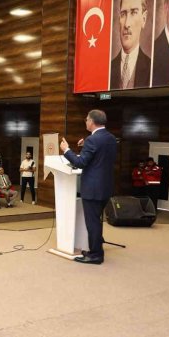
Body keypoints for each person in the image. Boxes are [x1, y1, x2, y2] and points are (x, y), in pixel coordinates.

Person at [60, 109, 117, 265]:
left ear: (91, 122)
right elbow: (101, 157)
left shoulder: (93, 140)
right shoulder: (111, 138)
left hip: (92, 189)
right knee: (96, 221)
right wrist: (86, 145)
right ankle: (94, 250)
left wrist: (67, 150)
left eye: (86, 119)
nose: (85, 122)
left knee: (92, 223)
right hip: (105, 187)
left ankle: (96, 255)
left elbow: (80, 163)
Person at [110, 0, 151, 89]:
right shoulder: (107, 69)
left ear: (144, 19)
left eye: (134, 12)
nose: (127, 24)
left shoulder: (153, 68)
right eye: (123, 14)